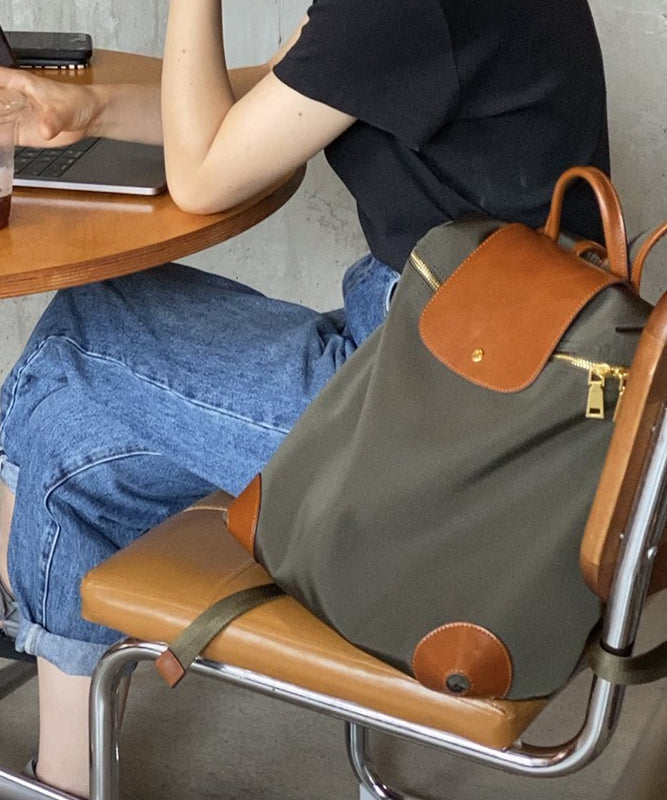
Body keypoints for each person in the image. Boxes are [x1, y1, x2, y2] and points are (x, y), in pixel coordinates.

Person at [0, 0, 609, 796]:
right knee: (75, 430)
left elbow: (203, 174)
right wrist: (87, 110)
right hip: (497, 379)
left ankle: (22, 615)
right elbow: (273, 94)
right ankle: (67, 775)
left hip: (455, 431)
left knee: (78, 339)